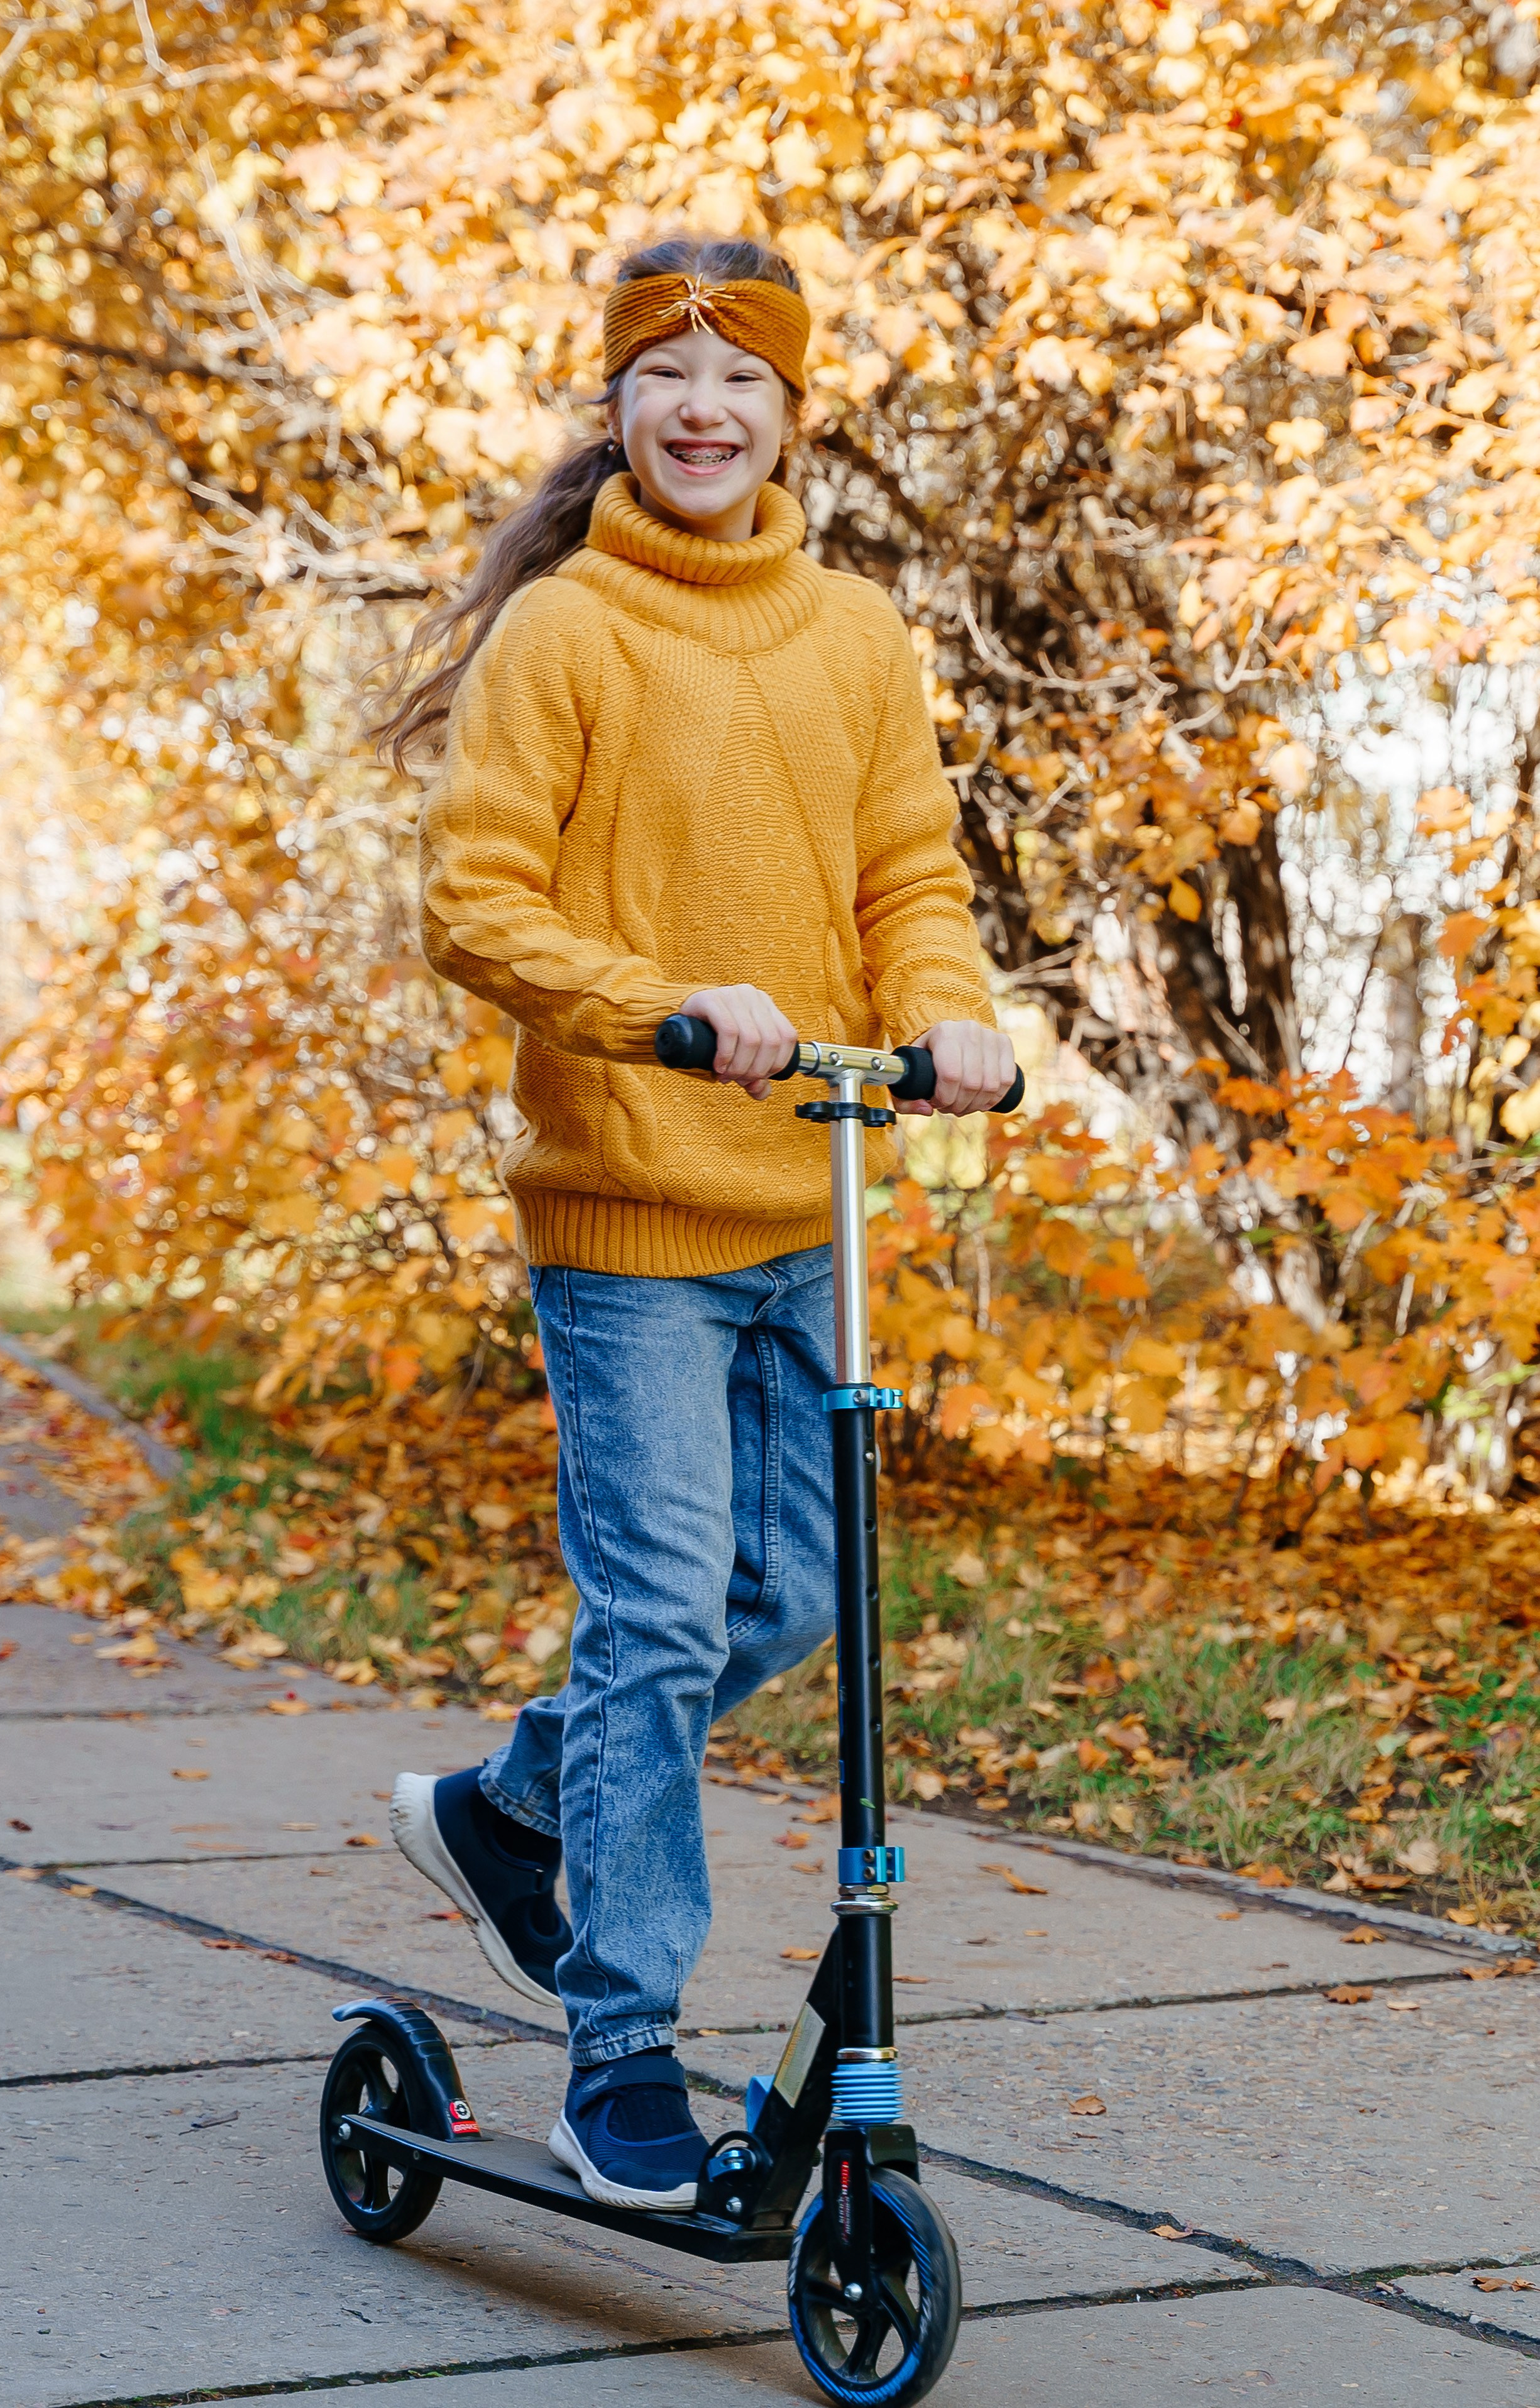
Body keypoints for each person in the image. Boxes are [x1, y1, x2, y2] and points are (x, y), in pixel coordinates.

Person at [373, 236, 1016, 2213]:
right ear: (618, 411)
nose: (703, 409)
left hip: (807, 1198)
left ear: (793, 416)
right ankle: (617, 2041)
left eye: (741, 378)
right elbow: (476, 901)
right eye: (665, 374)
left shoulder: (852, 636)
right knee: (658, 1615)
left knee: (798, 1604)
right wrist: (658, 1005)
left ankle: (510, 1811)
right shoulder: (566, 634)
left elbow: (905, 868)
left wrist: (950, 1013)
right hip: (627, 1213)